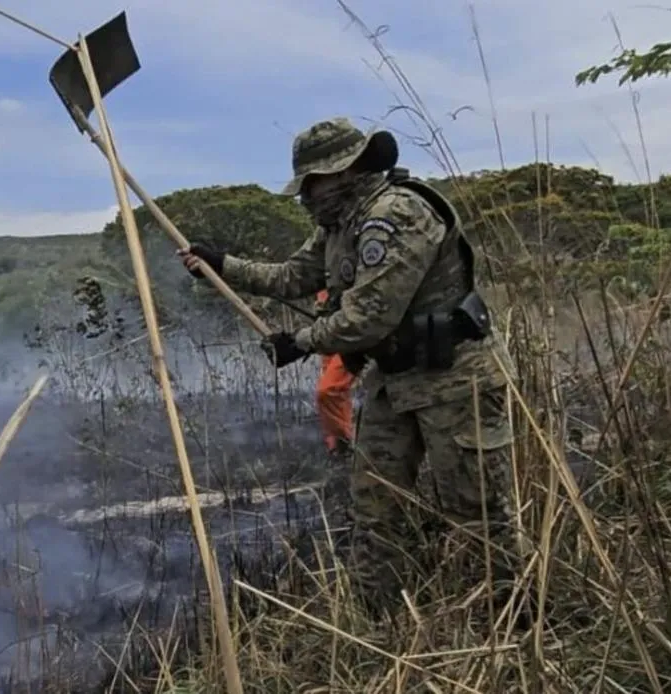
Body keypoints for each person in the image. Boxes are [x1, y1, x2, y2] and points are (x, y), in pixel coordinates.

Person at [178, 117, 516, 616]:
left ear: (345, 172)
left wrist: (300, 342)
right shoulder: (339, 227)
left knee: (477, 513)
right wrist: (222, 266)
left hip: (455, 380)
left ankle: (509, 619)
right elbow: (293, 276)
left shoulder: (396, 215)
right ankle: (377, 619)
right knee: (375, 508)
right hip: (394, 381)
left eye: (313, 184)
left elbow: (369, 317)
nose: (306, 196)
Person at [313, 287, 357, 460]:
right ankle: (336, 447)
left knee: (328, 389)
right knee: (337, 390)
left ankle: (344, 443)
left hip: (354, 326)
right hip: (328, 322)